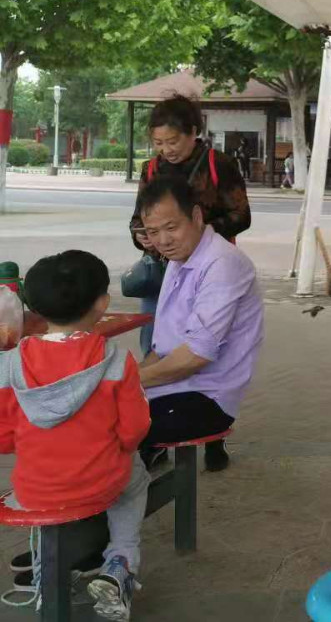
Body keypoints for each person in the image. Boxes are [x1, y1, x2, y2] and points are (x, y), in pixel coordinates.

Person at [1, 251, 151, 621]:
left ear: (33, 308)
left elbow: (3, 437)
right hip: (102, 482)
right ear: (102, 304)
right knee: (135, 481)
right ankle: (120, 561)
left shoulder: (10, 363)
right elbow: (134, 429)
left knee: (47, 485)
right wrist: (118, 449)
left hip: (34, 489)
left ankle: (46, 573)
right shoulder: (117, 359)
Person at [136, 176, 264, 474]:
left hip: (208, 398)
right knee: (90, 410)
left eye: (171, 228)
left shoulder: (221, 263)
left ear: (196, 216)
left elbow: (195, 356)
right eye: (153, 232)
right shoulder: (180, 257)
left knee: (100, 422)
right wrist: (126, 379)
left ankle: (119, 499)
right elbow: (162, 347)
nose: (163, 240)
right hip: (174, 386)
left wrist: (127, 382)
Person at [129, 96, 250, 359]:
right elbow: (138, 219)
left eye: (173, 141)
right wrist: (142, 236)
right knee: (153, 344)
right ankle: (150, 383)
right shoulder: (151, 169)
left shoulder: (218, 165)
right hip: (161, 270)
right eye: (159, 143)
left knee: (199, 343)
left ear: (193, 131)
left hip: (207, 268)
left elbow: (241, 216)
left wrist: (197, 234)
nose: (166, 150)